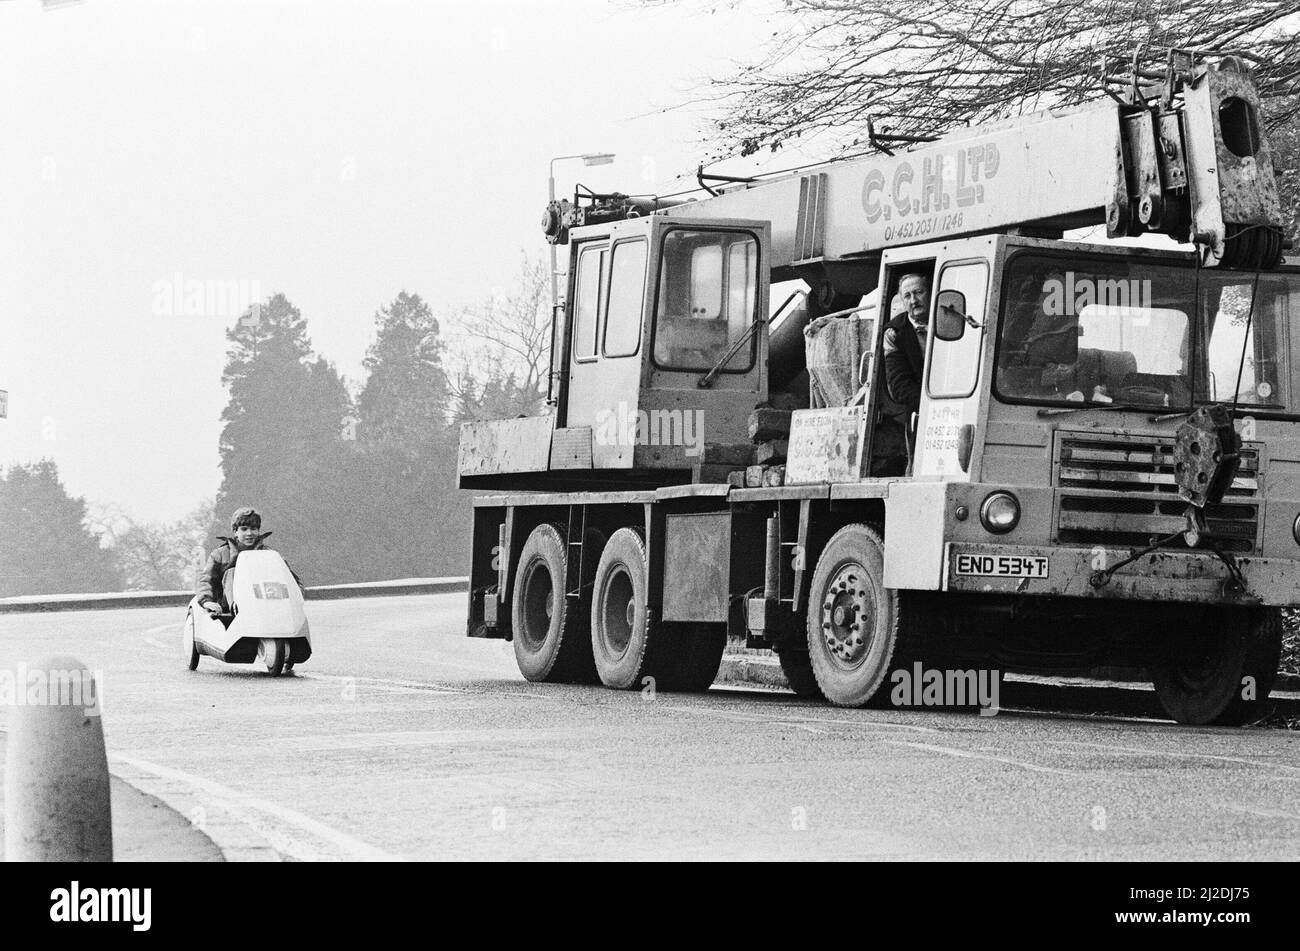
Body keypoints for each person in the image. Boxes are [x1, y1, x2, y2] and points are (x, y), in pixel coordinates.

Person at [196, 507, 300, 616]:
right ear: (235, 531)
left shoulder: (269, 554)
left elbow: (292, 580)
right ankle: (239, 613)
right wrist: (207, 601)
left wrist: (295, 603)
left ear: (258, 531)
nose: (249, 533)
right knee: (231, 572)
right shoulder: (220, 554)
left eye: (254, 529)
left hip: (263, 603)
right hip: (228, 608)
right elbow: (205, 580)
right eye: (244, 529)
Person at [882, 272, 931, 418]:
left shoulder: (951, 318)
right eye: (907, 296)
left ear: (931, 292)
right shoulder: (894, 333)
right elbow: (900, 387)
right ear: (903, 301)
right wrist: (931, 404)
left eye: (919, 292)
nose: (914, 300)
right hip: (920, 412)